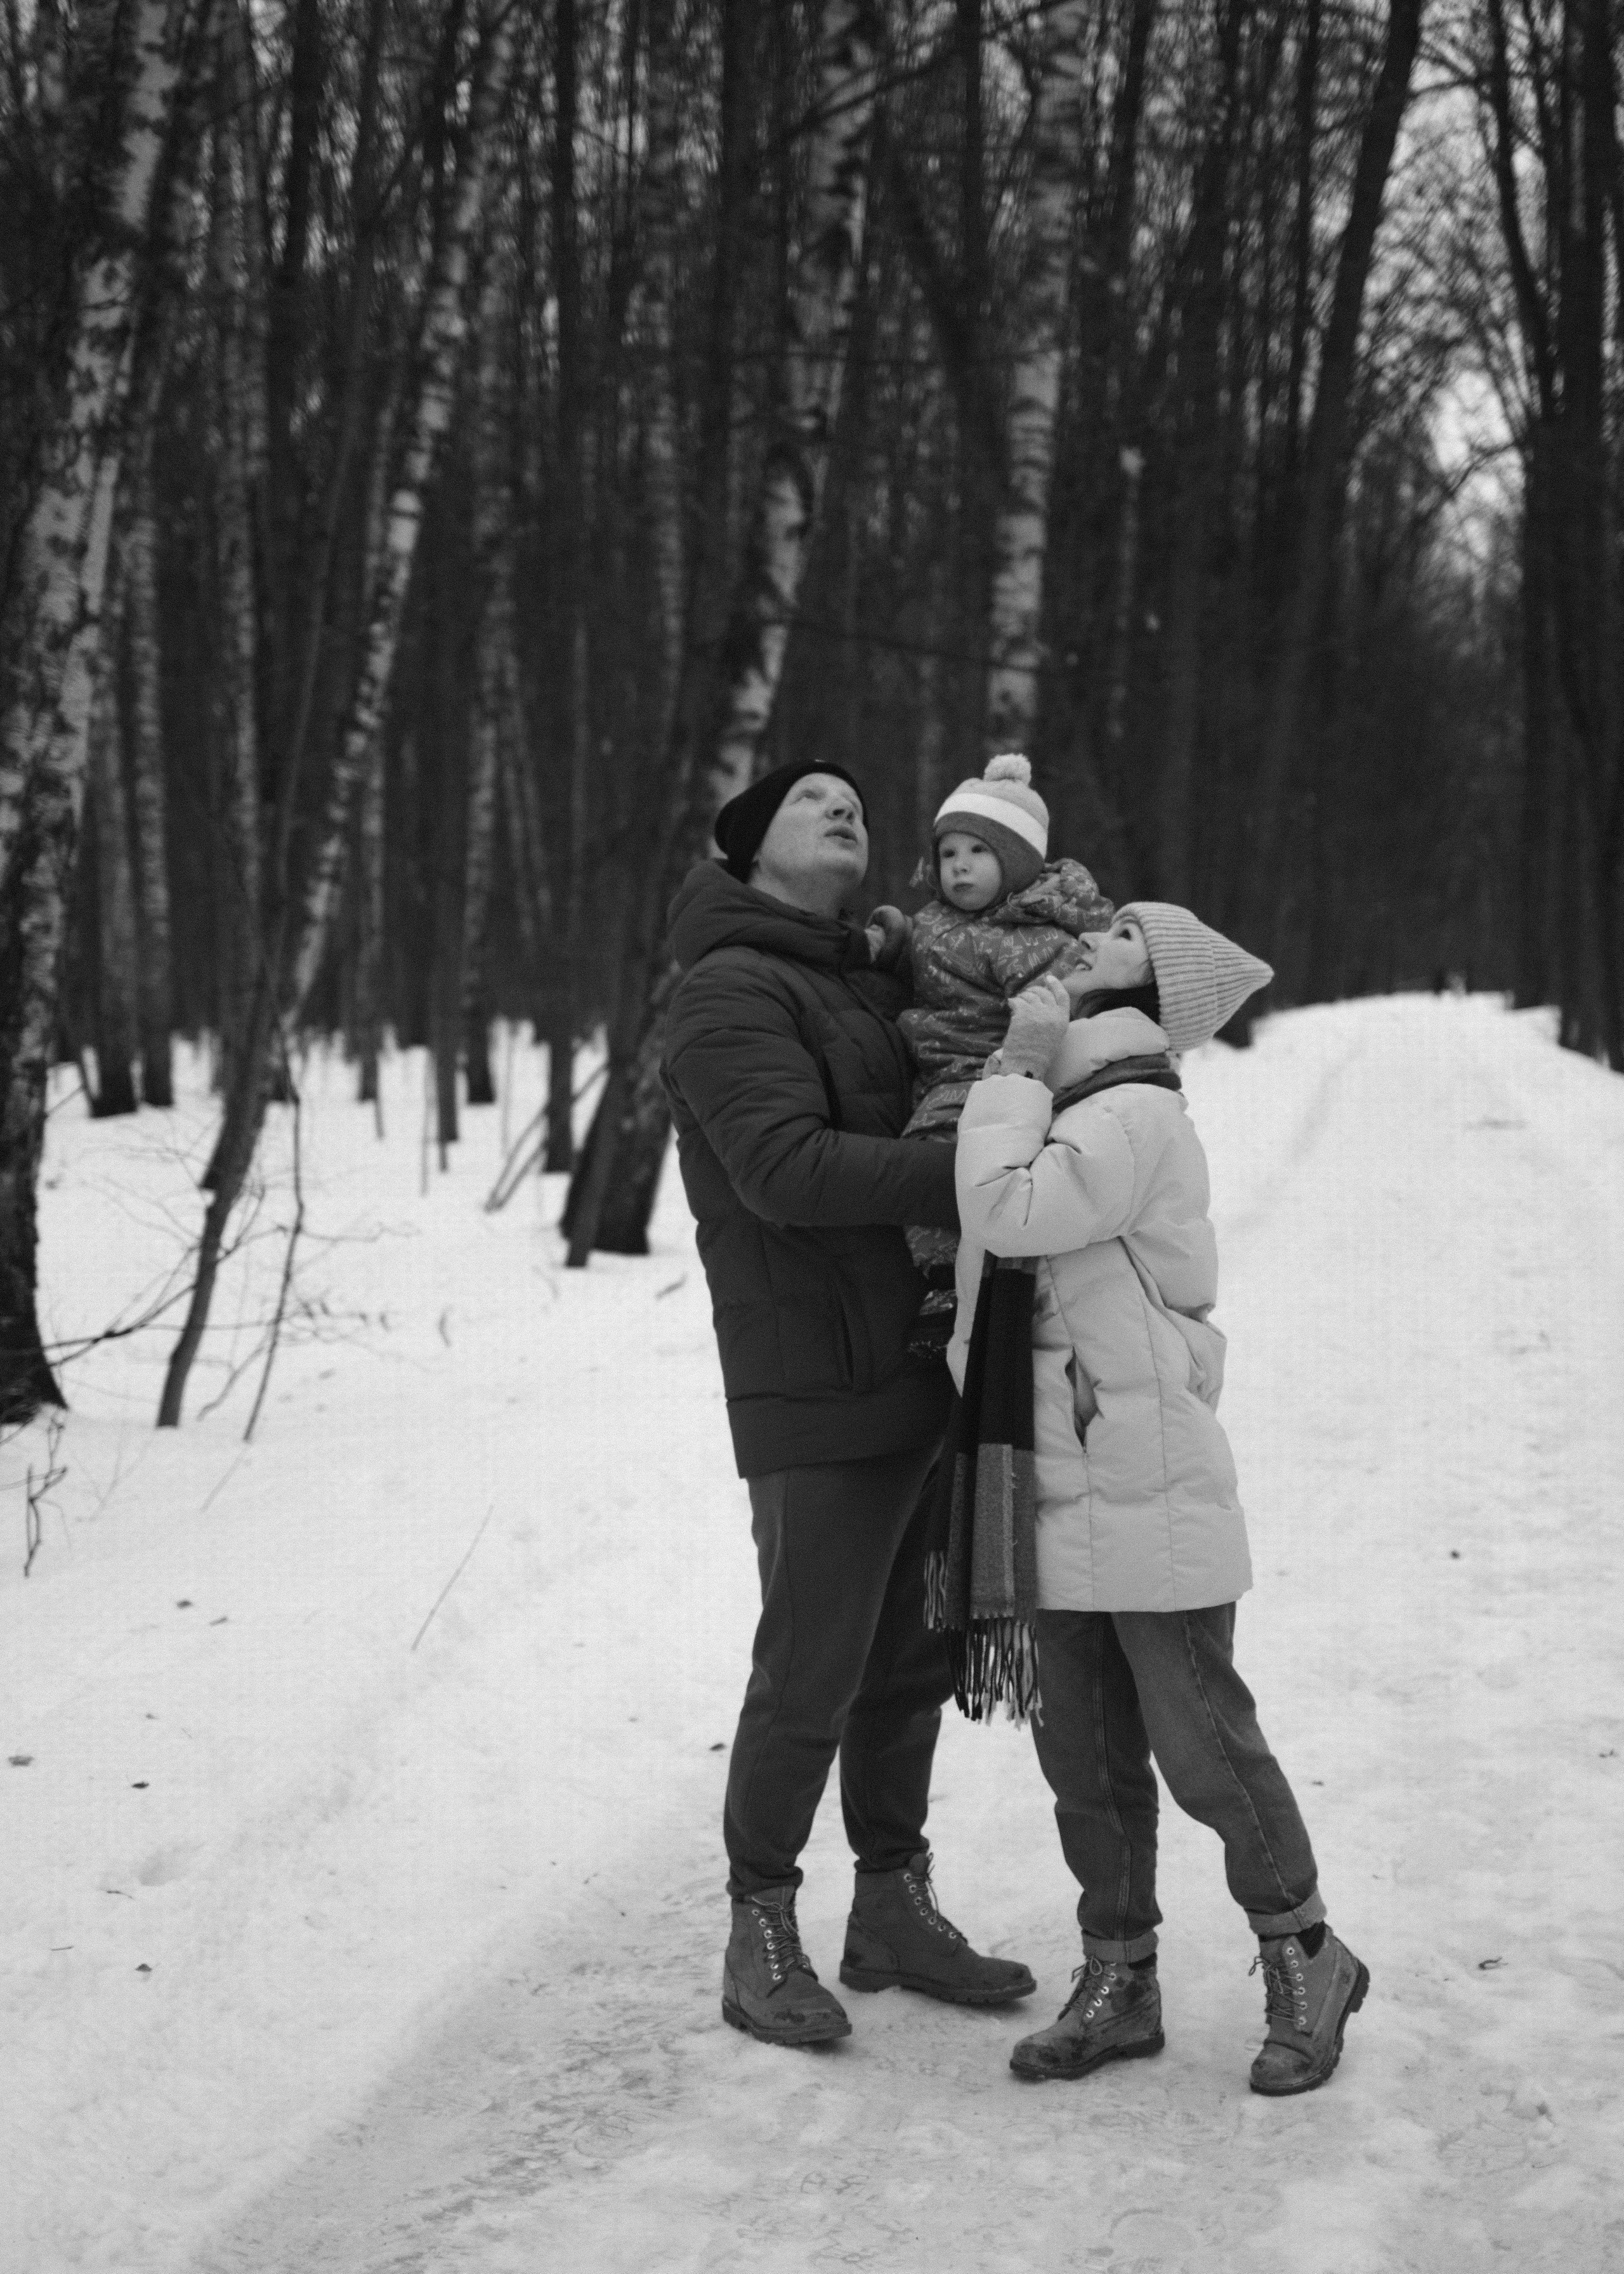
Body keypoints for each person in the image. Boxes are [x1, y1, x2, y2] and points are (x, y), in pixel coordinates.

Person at [943, 903, 1368, 2096]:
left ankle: (1307, 1953)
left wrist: (1017, 1066)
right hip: (1055, 1473)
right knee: (1084, 1755)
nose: (1093, 930)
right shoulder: (1072, 1107)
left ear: (1158, 989)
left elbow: (1009, 1210)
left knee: (1202, 1749)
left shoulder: (1131, 1110)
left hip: (1145, 1480)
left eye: (1125, 933)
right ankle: (1119, 1974)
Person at [660, 761, 1036, 2050]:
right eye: (812, 797)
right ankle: (757, 1921)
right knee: (810, 1664)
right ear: (747, 843)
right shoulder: (724, 990)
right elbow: (781, 1168)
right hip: (811, 1372)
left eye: (858, 803)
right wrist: (975, 1173)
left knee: (905, 1664)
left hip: (914, 1358)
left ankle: (889, 1904)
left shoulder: (867, 979)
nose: (846, 808)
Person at [894, 753, 1113, 1352]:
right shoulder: (930, 921)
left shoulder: (1031, 939)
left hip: (987, 1072)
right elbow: (901, 949)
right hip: (935, 1067)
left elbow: (1065, 1001)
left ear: (1015, 862)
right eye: (948, 855)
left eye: (978, 853)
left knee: (939, 1159)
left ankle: (948, 1288)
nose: (959, 867)